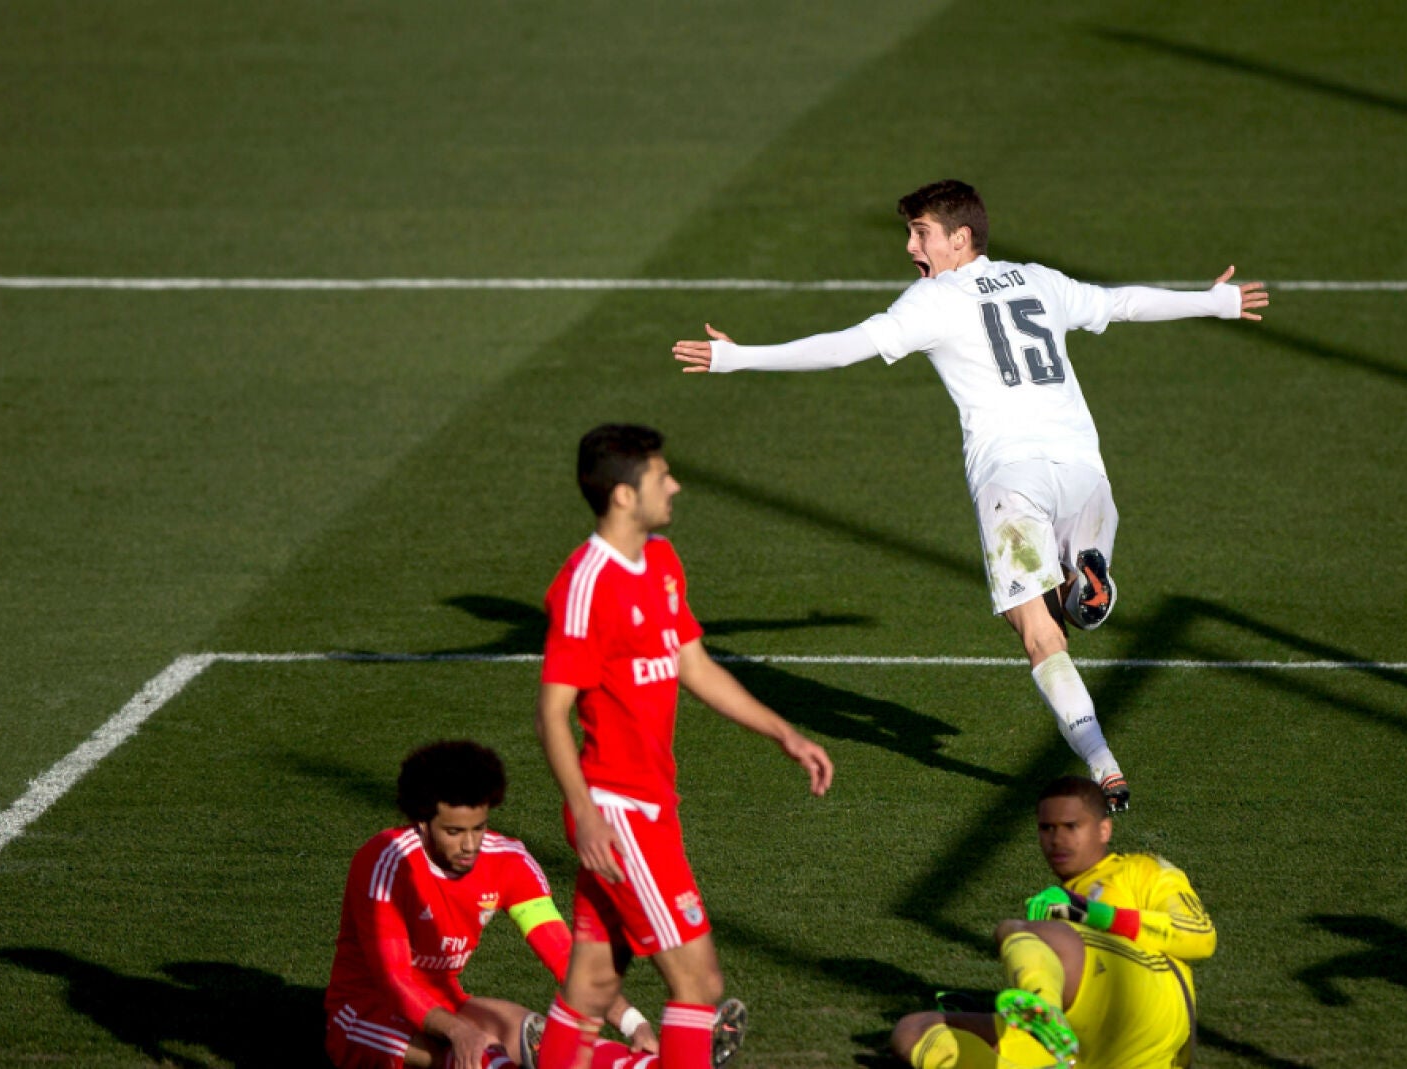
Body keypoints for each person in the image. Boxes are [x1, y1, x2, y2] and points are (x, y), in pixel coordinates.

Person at [671, 180, 1269, 812]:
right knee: (1065, 607)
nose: (909, 247)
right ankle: (1084, 583)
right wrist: (1216, 302)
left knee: (1037, 633)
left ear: (960, 239)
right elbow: (1120, 303)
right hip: (1085, 472)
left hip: (1012, 480)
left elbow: (846, 348)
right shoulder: (1038, 279)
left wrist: (737, 358)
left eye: (920, 233)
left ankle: (1105, 767)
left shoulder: (935, 300)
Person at [535, 423, 835, 1069]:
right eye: (660, 476)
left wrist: (784, 732)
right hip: (619, 812)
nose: (675, 485)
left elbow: (695, 666)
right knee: (699, 983)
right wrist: (586, 812)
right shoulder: (586, 584)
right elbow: (552, 712)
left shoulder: (663, 563)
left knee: (592, 984)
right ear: (622, 494)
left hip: (650, 804)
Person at [325, 740, 669, 1069]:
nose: (470, 845)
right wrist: (460, 1031)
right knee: (480, 1056)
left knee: (537, 1039)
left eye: (479, 827)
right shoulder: (386, 861)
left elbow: (563, 953)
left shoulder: (508, 861)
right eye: (455, 831)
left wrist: (631, 1022)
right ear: (422, 822)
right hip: (365, 1012)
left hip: (446, 1002)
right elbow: (394, 980)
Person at [889, 775, 1215, 1069]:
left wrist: (1092, 914)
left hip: (1153, 1011)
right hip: (1085, 1047)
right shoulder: (1055, 904)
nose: (1056, 839)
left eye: (1071, 826)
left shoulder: (1140, 869)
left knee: (1014, 929)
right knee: (914, 1029)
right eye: (1046, 828)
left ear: (1105, 829)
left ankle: (1044, 1013)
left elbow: (1200, 936)